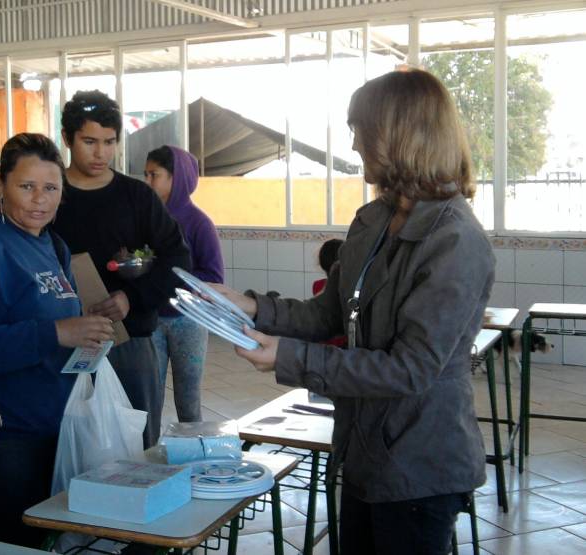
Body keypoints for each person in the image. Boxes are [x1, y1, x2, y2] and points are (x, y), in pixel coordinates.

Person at [211, 69, 494, 554]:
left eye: (360, 129)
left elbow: (410, 369)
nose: (355, 143)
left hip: (420, 464)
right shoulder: (375, 220)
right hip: (364, 449)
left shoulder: (455, 240)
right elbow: (329, 315)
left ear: (397, 135)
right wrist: (253, 307)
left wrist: (288, 358)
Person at [0, 133, 114, 547]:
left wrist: (86, 334)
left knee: (58, 541)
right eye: (27, 186)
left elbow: (61, 320)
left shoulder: (54, 244)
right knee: (17, 543)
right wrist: (56, 332)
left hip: (57, 424)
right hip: (4, 433)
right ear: (1, 185)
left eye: (51, 188)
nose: (40, 200)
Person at [52, 90, 192, 448]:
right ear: (67, 138)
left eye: (109, 142)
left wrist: (132, 297)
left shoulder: (137, 197)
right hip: (61, 342)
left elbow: (178, 259)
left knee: (136, 446)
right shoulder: (50, 196)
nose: (100, 153)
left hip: (128, 342)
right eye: (89, 142)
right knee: (69, 446)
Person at [144, 145, 223, 422]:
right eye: (146, 174)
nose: (147, 181)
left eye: (154, 175)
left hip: (189, 321)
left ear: (175, 178)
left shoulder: (200, 223)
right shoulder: (147, 219)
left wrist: (169, 278)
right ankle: (148, 449)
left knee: (188, 399)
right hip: (151, 319)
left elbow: (214, 277)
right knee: (148, 398)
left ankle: (192, 446)